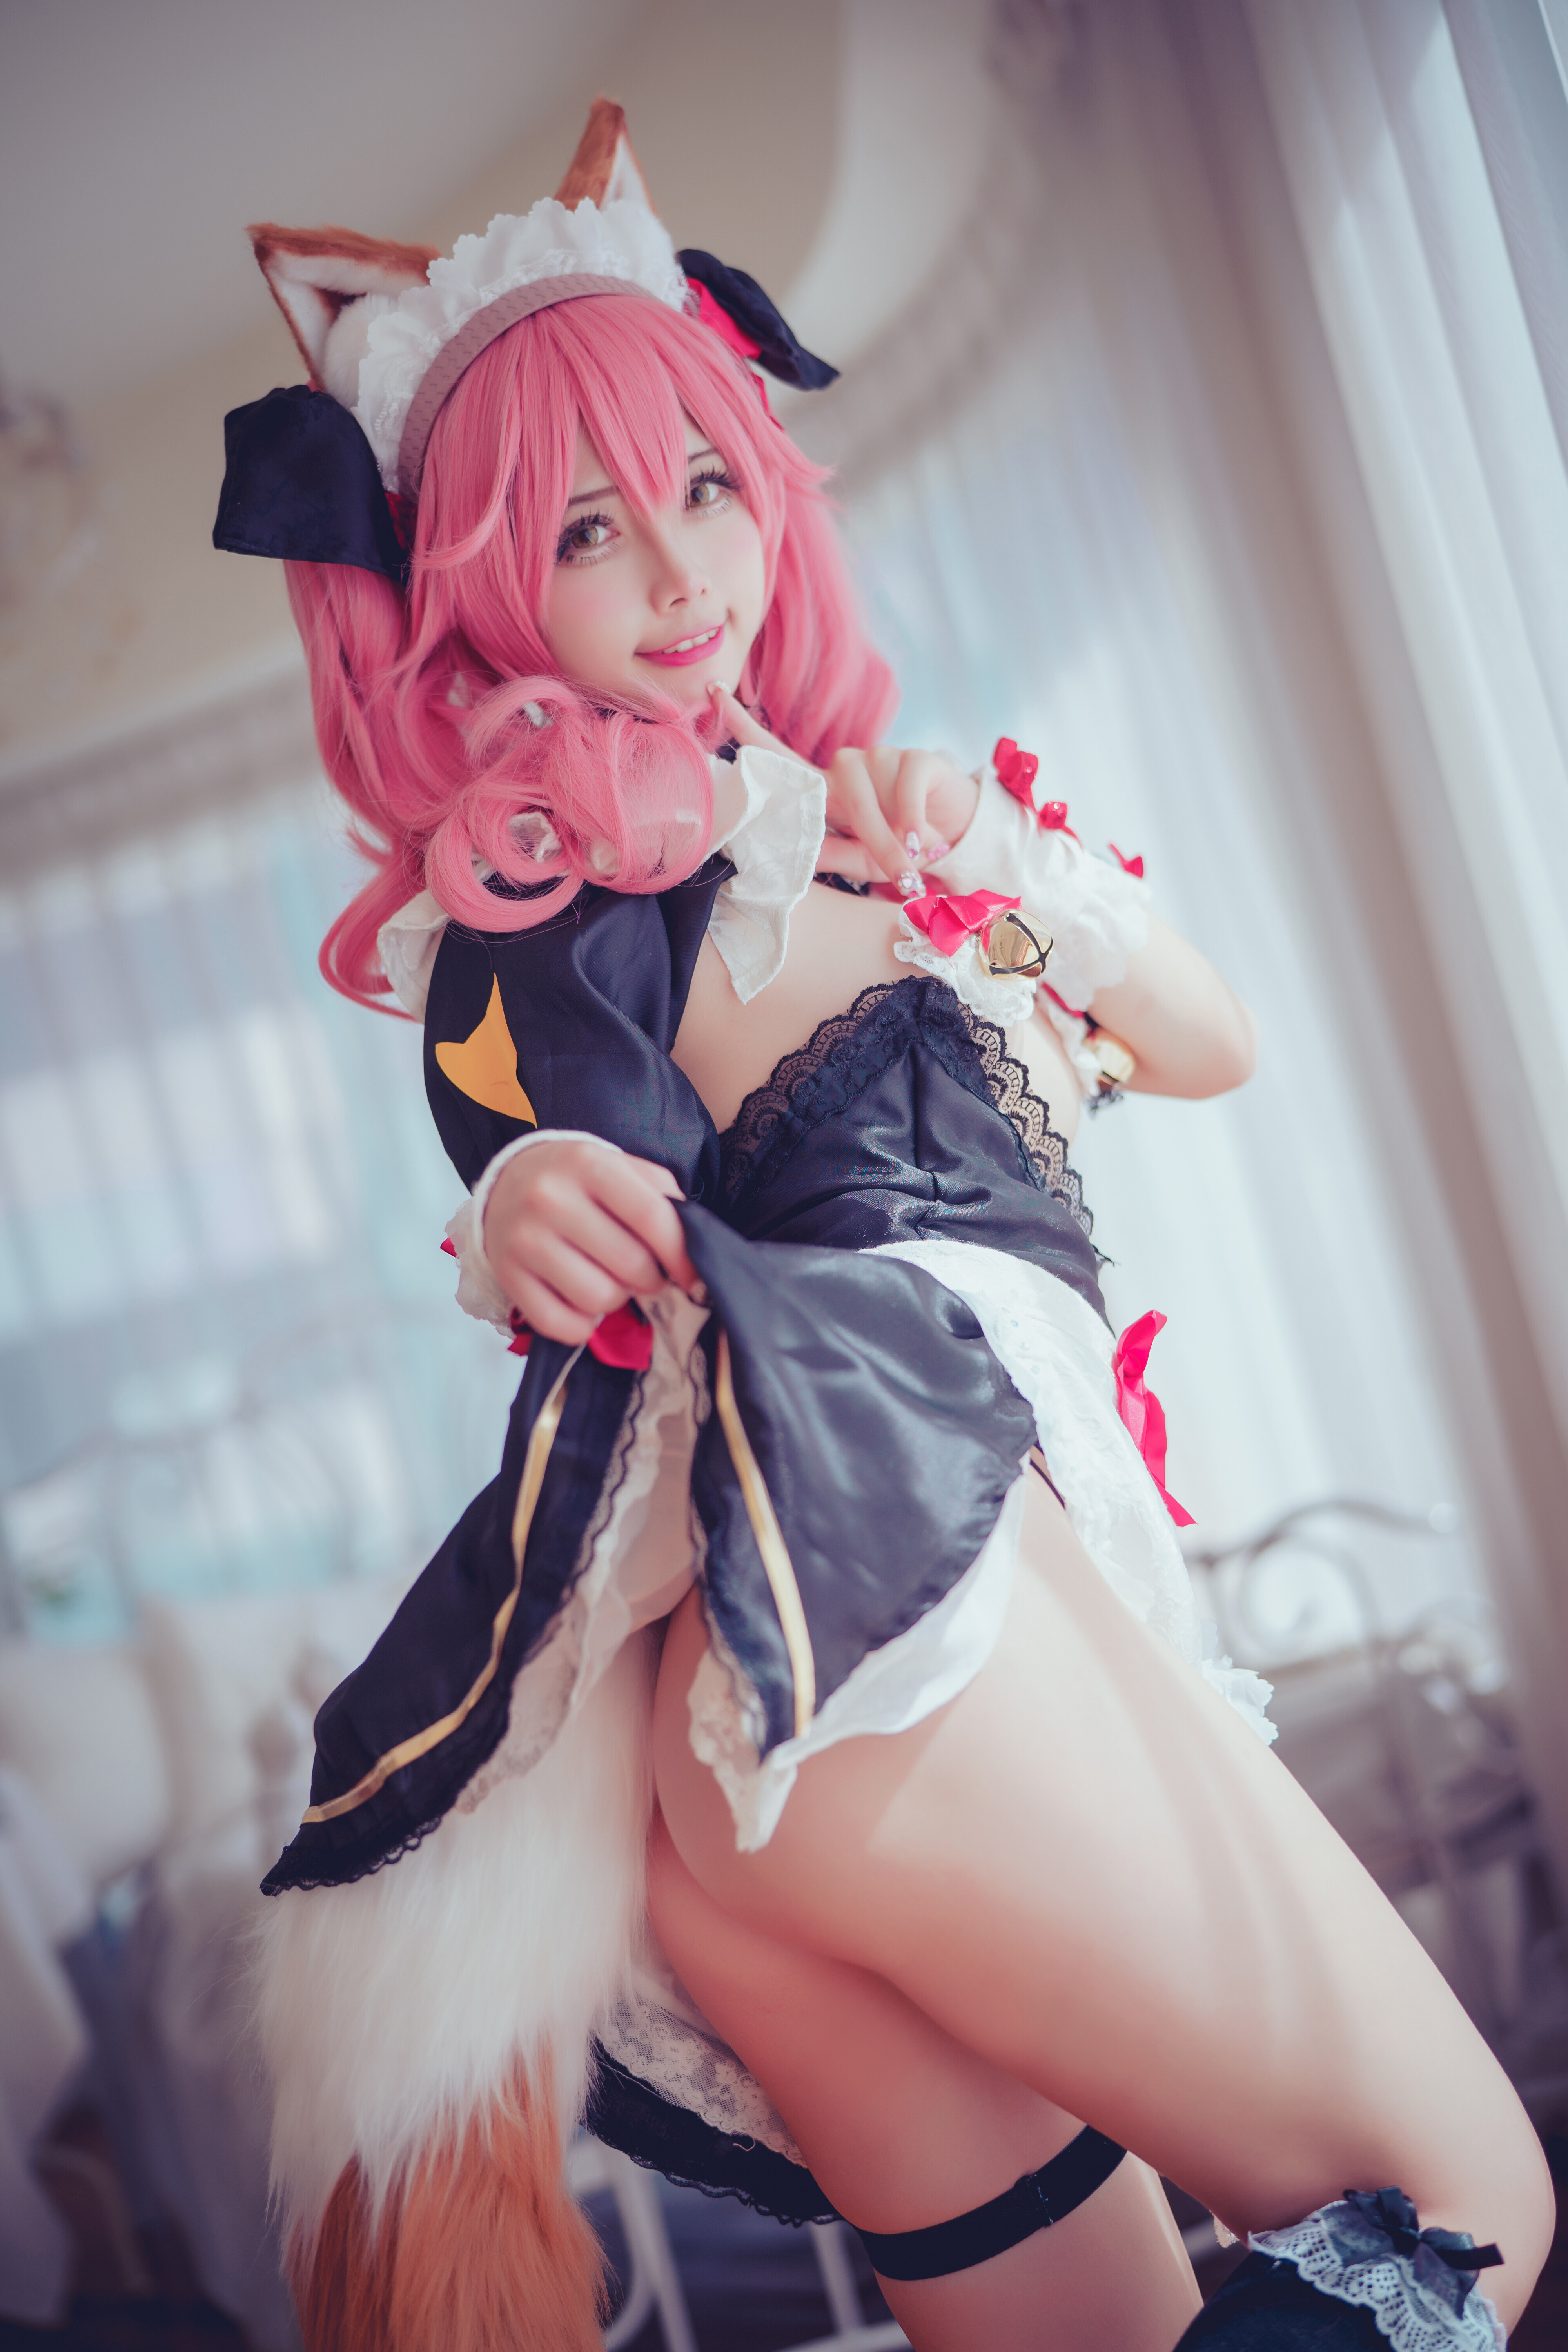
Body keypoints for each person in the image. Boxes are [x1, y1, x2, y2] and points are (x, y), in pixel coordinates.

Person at [215, 101, 1552, 2352]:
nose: (683, 573)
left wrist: (999, 873)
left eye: (709, 486)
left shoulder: (880, 822)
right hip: (877, 1610)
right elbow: (536, 1122)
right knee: (1458, 2202)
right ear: (479, 596)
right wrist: (513, 1205)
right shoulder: (581, 886)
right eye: (588, 531)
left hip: (803, 1741)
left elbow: (1207, 1037)